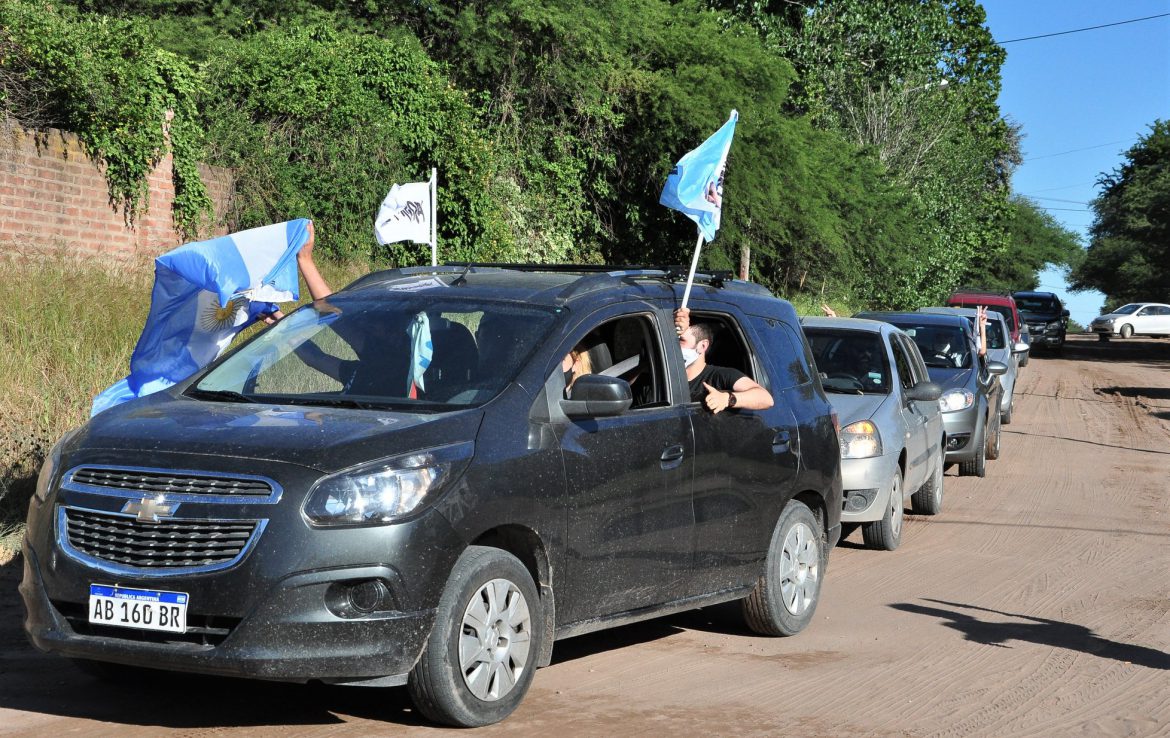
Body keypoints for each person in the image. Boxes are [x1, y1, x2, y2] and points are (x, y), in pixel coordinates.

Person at [674, 307, 773, 414]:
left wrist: (727, 399)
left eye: (681, 340)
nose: (675, 345)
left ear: (702, 346)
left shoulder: (720, 376)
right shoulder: (666, 373)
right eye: (675, 339)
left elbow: (766, 398)